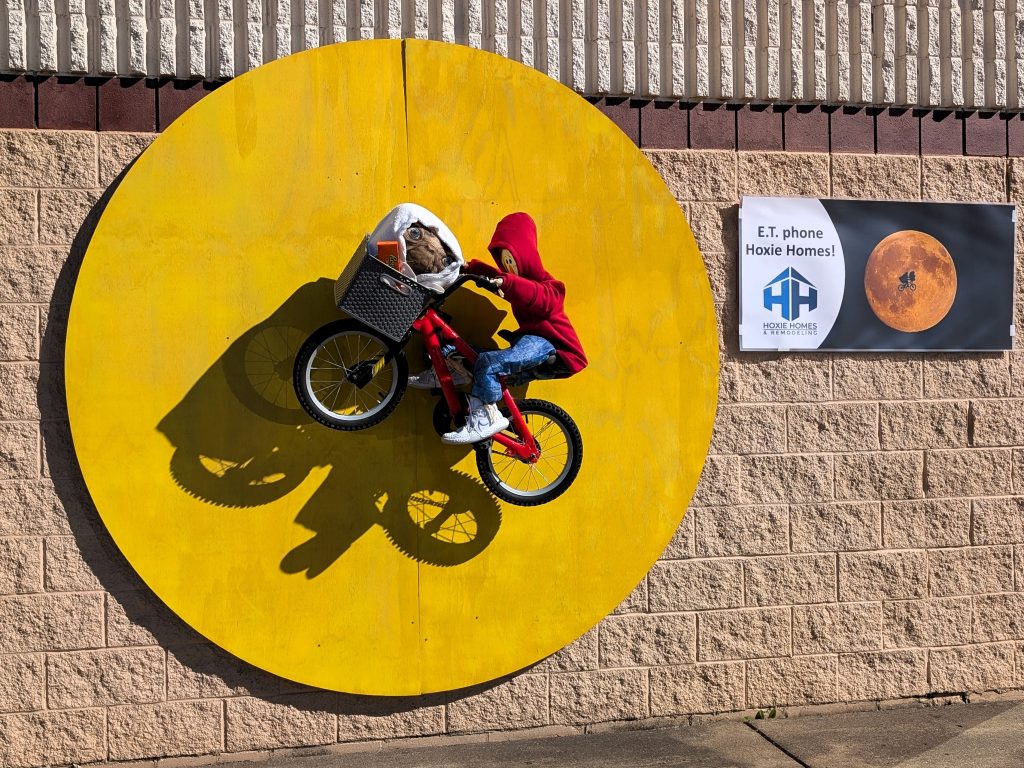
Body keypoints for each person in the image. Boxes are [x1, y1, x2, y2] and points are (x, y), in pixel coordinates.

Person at [433, 212, 588, 445]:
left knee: (489, 363)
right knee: (471, 356)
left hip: (555, 349)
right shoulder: (515, 283)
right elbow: (499, 277)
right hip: (535, 350)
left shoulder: (551, 288)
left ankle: (486, 417)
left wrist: (507, 283)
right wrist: (470, 268)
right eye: (504, 262)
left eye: (512, 261)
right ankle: (452, 371)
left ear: (526, 256)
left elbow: (533, 294)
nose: (508, 267)